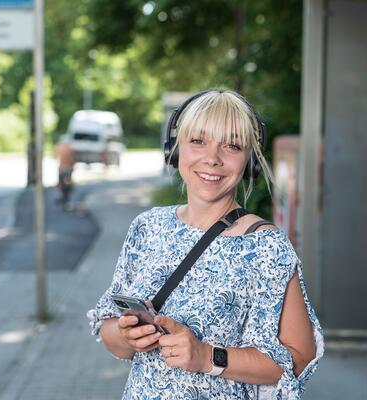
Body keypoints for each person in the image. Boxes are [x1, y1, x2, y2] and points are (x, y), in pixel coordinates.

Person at [87, 89, 323, 399]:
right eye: (198, 141)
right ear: (176, 150)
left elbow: (298, 359)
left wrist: (207, 357)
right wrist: (126, 335)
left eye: (232, 145)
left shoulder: (266, 247)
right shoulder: (147, 227)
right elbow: (108, 331)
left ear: (249, 160)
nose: (212, 158)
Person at [55, 134, 76, 209]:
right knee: (67, 185)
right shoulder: (70, 148)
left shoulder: (59, 147)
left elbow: (55, 156)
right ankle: (66, 200)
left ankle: (62, 198)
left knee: (61, 184)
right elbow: (73, 159)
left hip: (61, 169)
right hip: (68, 169)